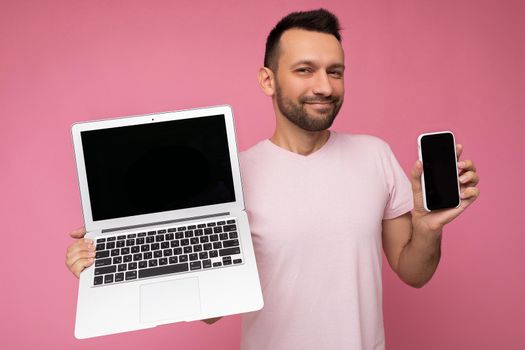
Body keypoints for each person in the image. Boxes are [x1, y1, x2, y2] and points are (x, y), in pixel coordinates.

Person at [65, 8, 480, 349]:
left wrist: (427, 228)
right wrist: (114, 263)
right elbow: (210, 314)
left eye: (335, 72)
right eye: (305, 70)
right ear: (268, 79)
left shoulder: (376, 155)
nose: (324, 86)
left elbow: (414, 272)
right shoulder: (233, 180)